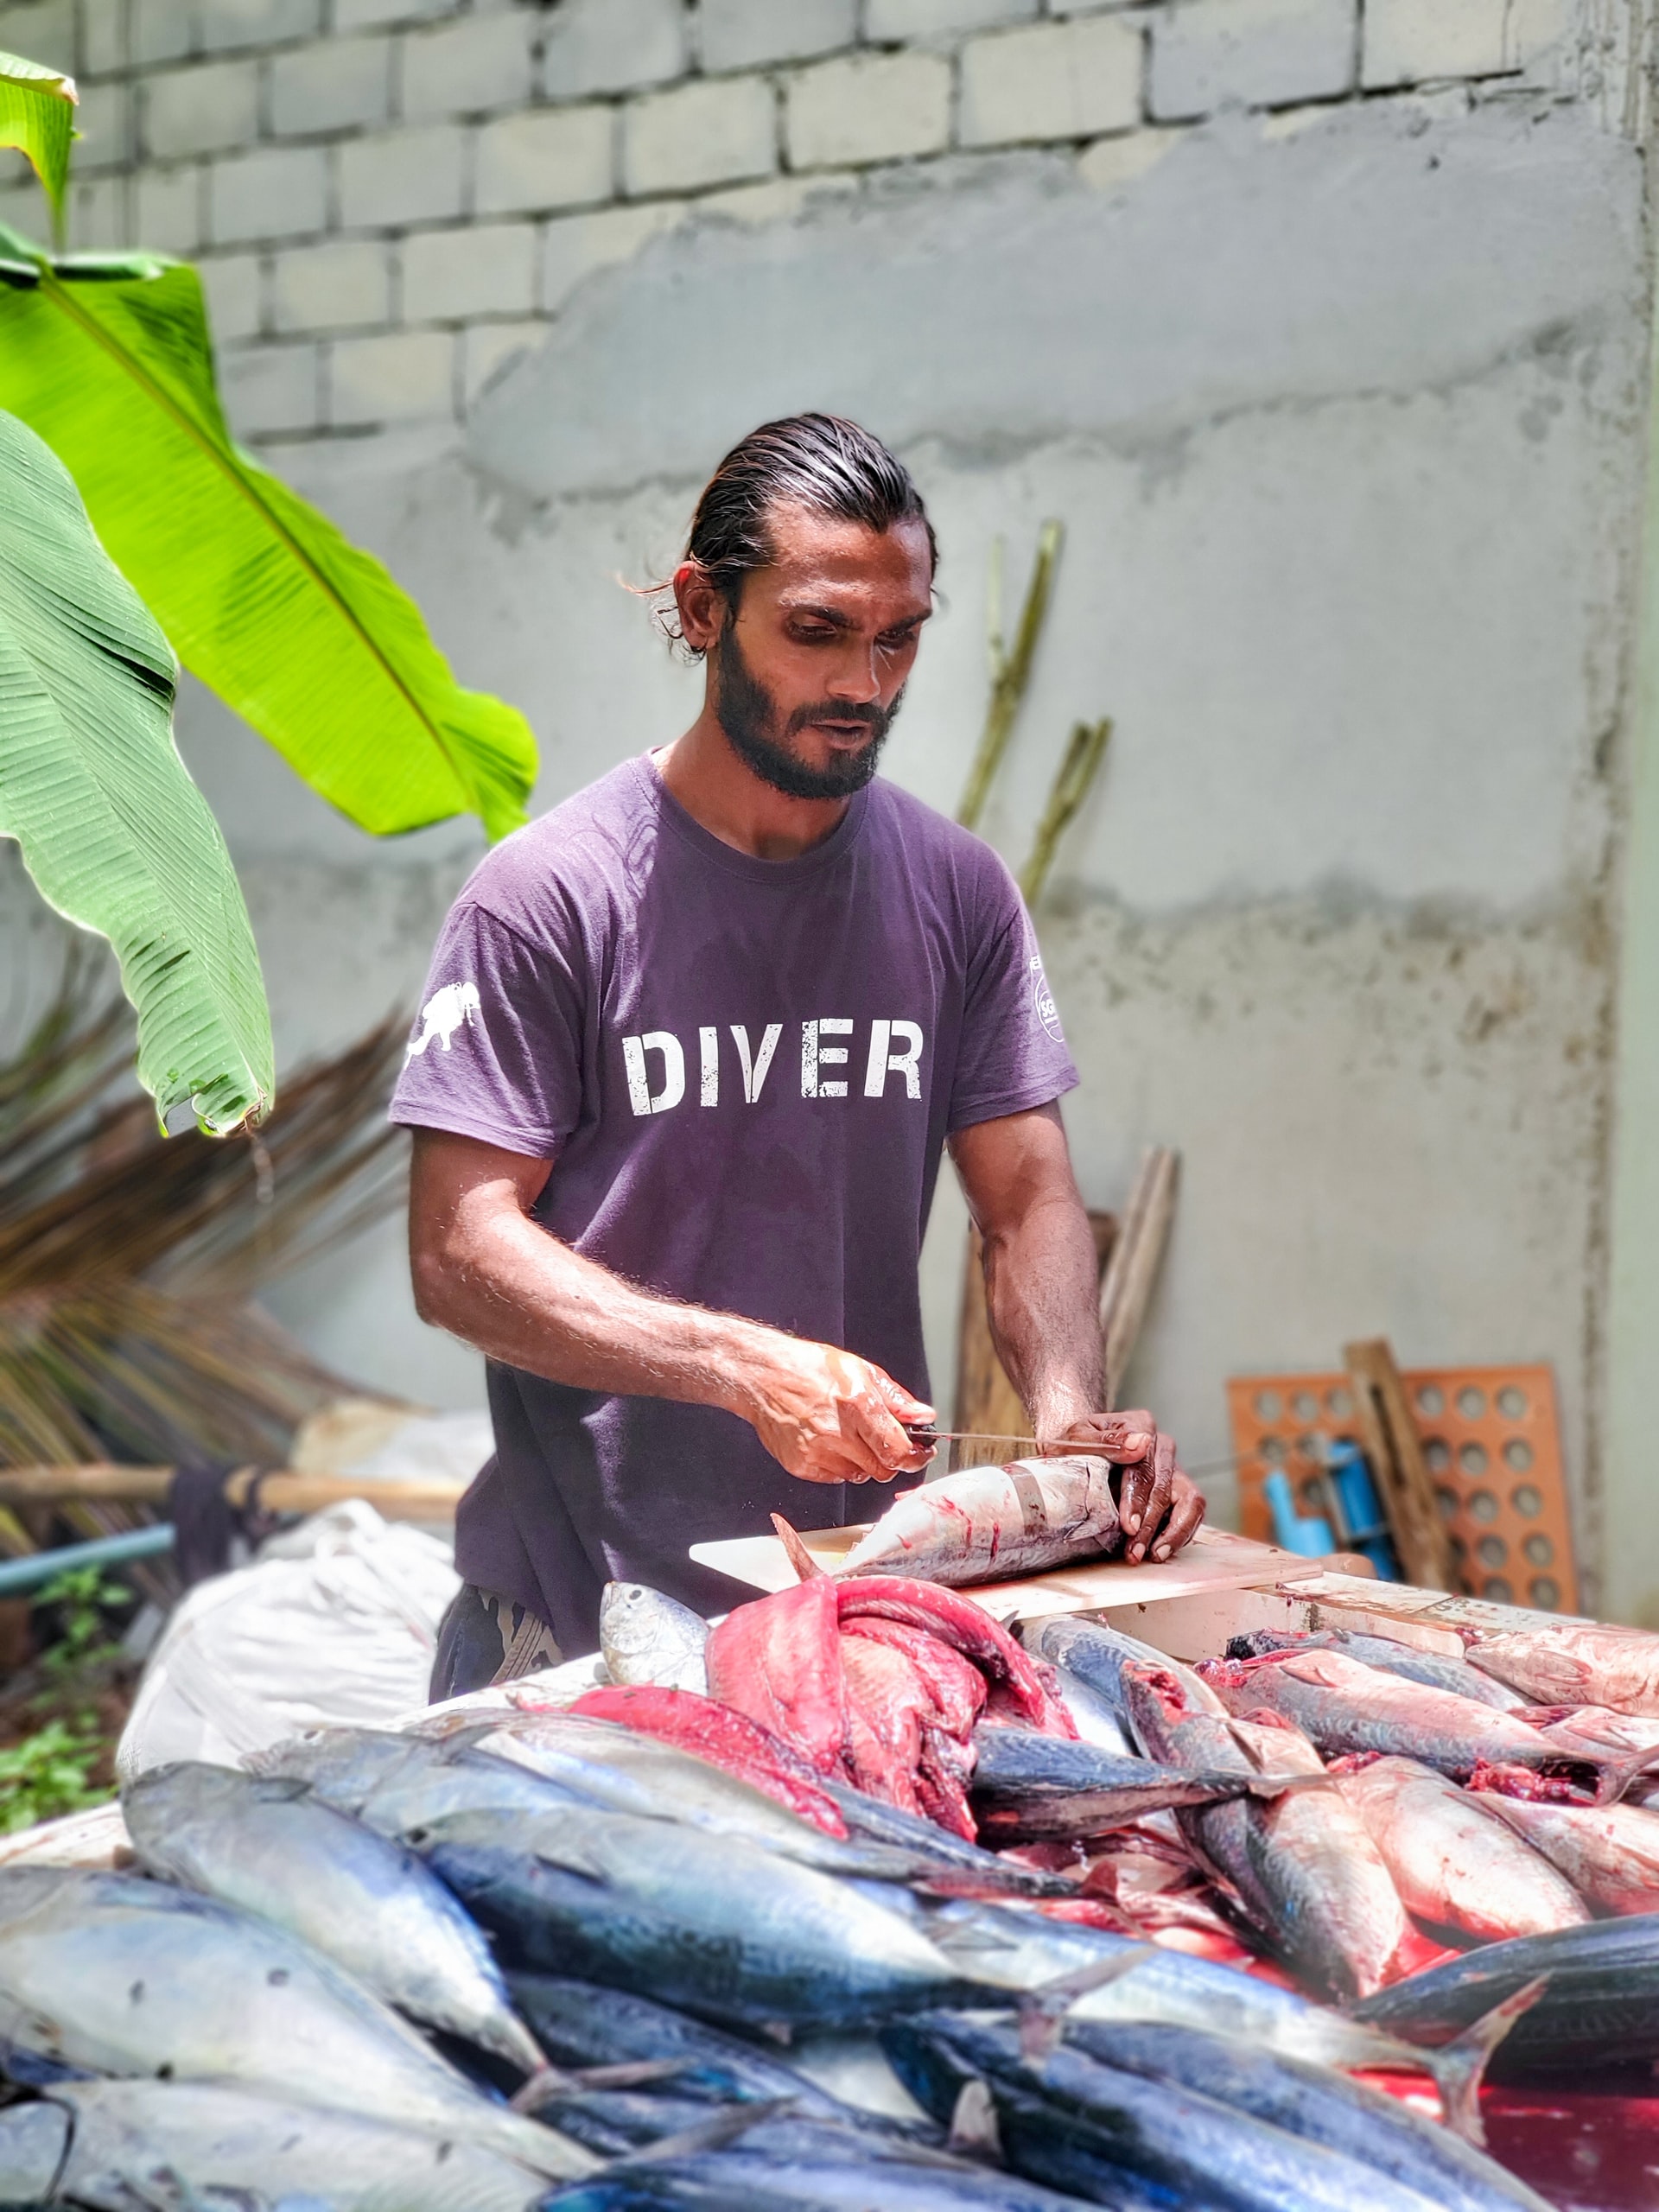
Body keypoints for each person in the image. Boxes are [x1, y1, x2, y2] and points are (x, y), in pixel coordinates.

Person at [392, 413, 1205, 1696]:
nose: (864, 683)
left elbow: (1029, 1196)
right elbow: (457, 1252)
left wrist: (1064, 1435)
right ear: (702, 608)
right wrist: (741, 1365)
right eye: (818, 631)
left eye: (901, 637)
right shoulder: (550, 895)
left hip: (852, 1621)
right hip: (571, 1629)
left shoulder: (957, 891)